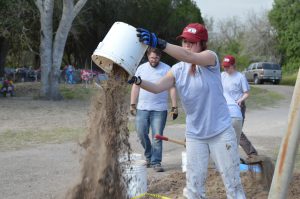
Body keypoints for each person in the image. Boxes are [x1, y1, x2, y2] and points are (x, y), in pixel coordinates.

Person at [129, 23, 246, 198]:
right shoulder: (177, 70)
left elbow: (188, 56)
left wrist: (159, 43)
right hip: (195, 136)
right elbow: (156, 87)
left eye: (192, 41)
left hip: (221, 133)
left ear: (202, 44)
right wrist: (136, 80)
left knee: (233, 185)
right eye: (184, 41)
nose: (187, 45)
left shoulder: (210, 59)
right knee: (193, 188)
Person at [130, 47, 178, 172]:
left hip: (159, 109)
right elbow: (136, 86)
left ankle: (156, 162)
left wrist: (174, 106)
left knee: (157, 136)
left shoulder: (167, 69)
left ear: (160, 57)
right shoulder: (141, 68)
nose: (154, 60)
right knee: (141, 133)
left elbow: (172, 88)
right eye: (151, 57)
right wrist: (132, 104)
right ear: (148, 56)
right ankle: (149, 156)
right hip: (142, 108)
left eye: (156, 58)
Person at [221, 55, 258, 158]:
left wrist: (240, 100)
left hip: (238, 107)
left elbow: (246, 92)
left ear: (233, 65)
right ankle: (226, 155)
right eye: (224, 66)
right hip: (225, 107)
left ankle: (252, 154)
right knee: (224, 130)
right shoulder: (222, 75)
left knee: (237, 131)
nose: (225, 68)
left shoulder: (240, 77)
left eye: (228, 66)